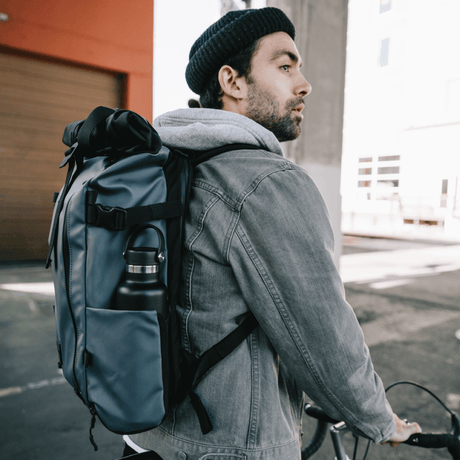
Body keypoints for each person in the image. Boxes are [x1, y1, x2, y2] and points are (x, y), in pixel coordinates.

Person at [123, 7, 420, 459]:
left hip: (145, 437)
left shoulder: (167, 167)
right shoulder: (266, 181)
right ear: (233, 81)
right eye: (285, 66)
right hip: (229, 447)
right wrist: (380, 420)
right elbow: (323, 336)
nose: (304, 84)